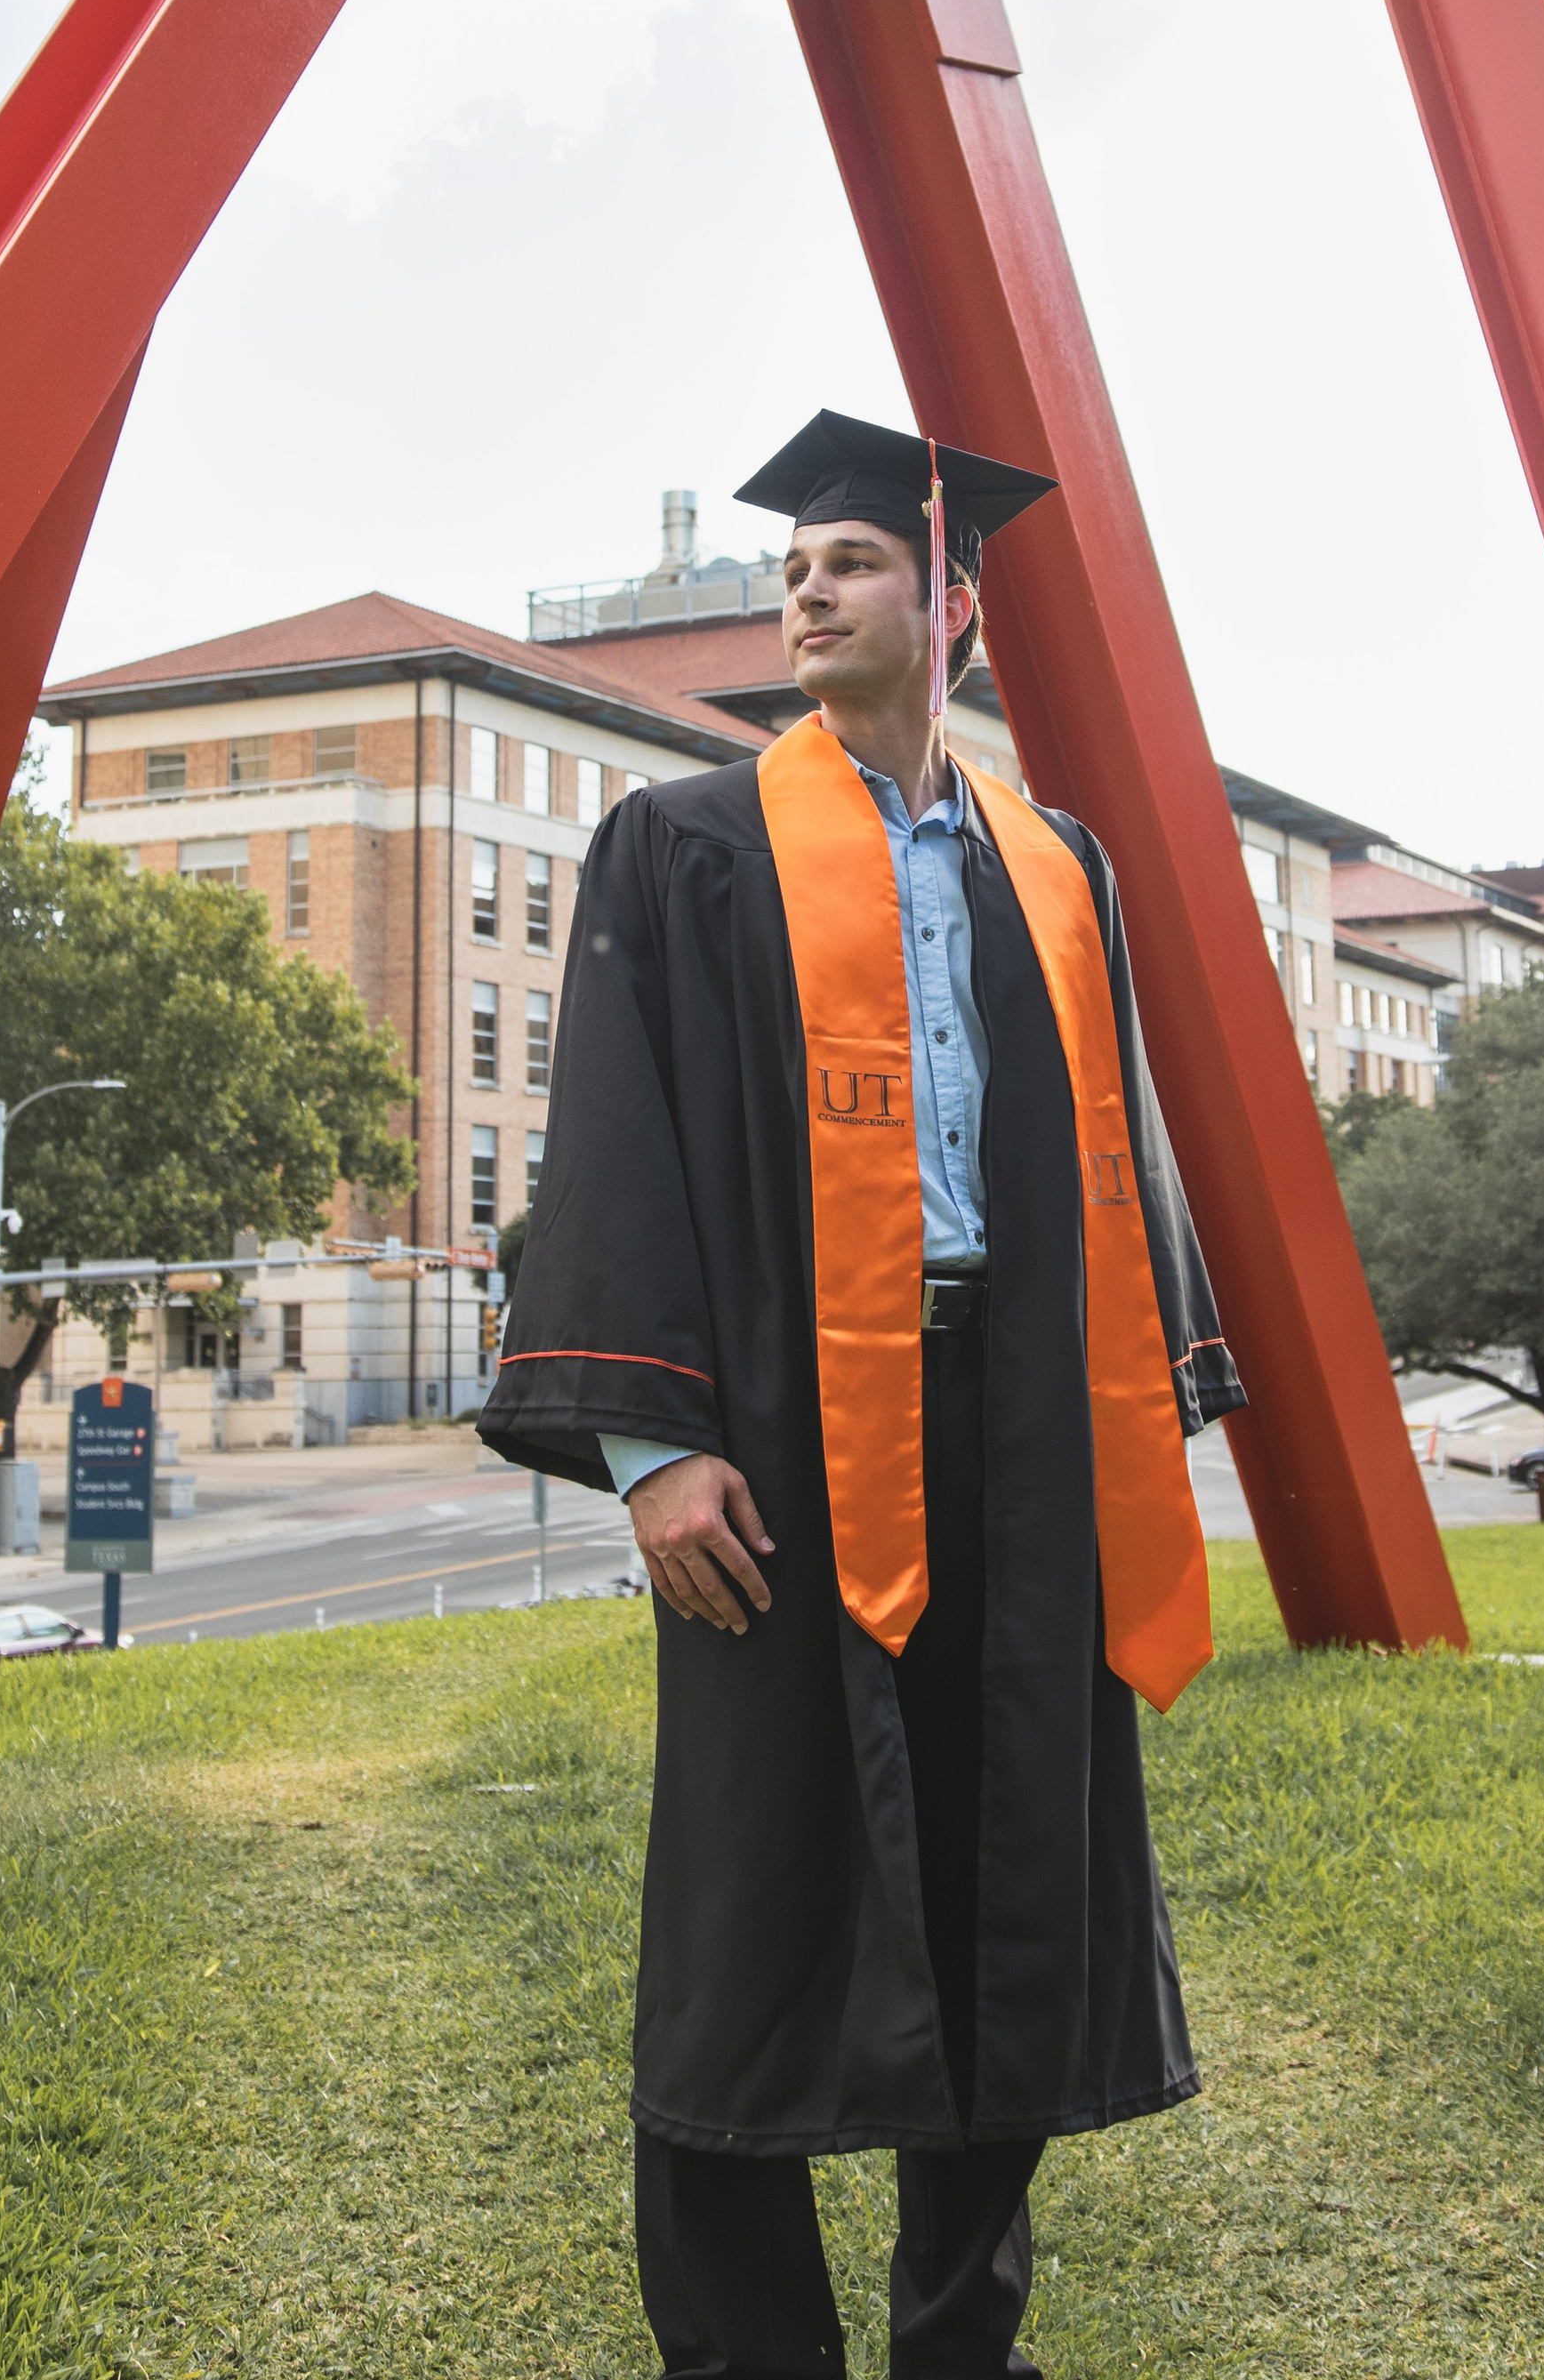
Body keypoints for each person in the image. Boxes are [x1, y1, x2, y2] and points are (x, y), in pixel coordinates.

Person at [479, 409, 1245, 2376]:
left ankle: (957, 2343)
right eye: (793, 569)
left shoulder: (1052, 867)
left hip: (1019, 1425)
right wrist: (652, 1447)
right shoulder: (689, 844)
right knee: (750, 1904)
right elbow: (613, 1144)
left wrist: (1150, 1397)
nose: (805, 591)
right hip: (782, 1436)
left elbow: (1112, 1145)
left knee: (1010, 1889)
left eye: (849, 566)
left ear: (952, 608)